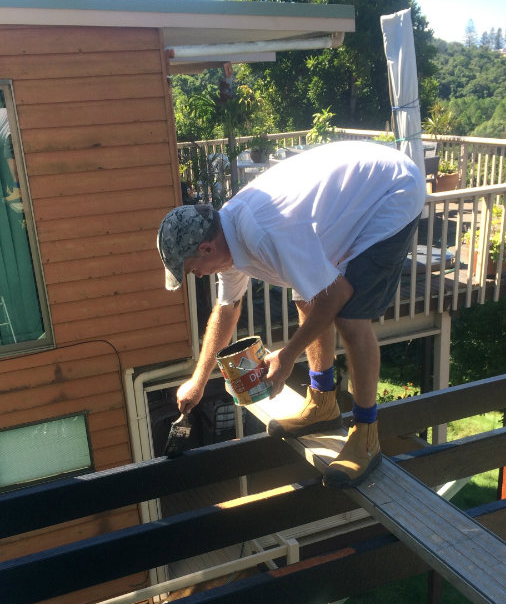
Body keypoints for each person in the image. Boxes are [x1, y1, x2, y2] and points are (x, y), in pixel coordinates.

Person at [157, 140, 426, 488]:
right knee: (305, 296)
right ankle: (322, 403)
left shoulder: (263, 234)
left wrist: (286, 357)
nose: (196, 276)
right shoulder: (226, 236)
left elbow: (337, 295)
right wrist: (198, 380)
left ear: (207, 248)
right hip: (350, 193)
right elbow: (226, 310)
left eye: (191, 269)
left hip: (392, 191)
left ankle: (366, 436)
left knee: (350, 318)